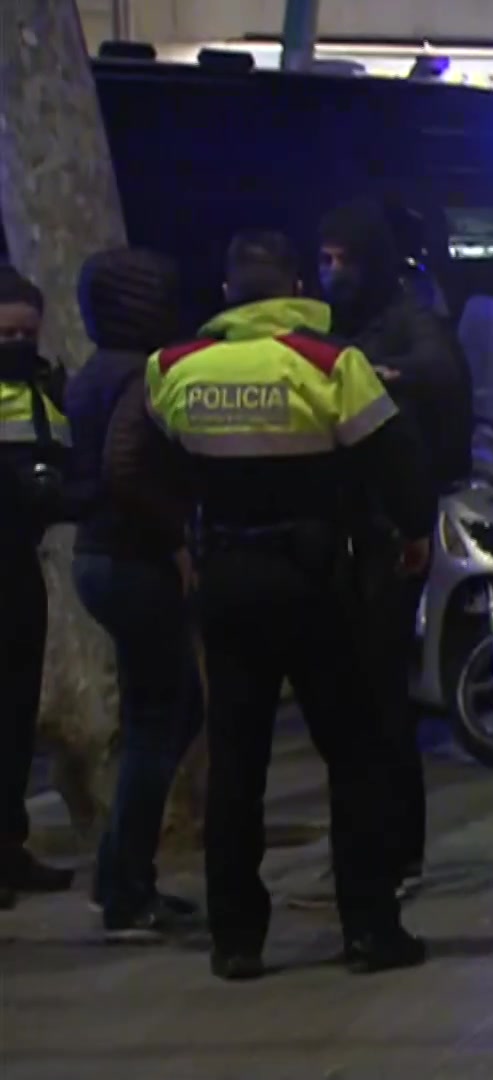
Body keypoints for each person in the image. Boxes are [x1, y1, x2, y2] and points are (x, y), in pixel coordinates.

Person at [129, 231, 436, 980]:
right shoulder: (330, 364)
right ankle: (369, 929)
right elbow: (396, 458)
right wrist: (413, 533)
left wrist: (180, 534)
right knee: (354, 755)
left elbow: (149, 460)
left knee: (237, 761)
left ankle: (236, 940)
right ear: (296, 288)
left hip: (226, 579)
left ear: (227, 294)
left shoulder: (172, 368)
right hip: (317, 582)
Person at [313, 199, 471, 898]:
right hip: (327, 532)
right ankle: (358, 851)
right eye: (325, 261)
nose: (334, 273)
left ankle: (395, 851)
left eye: (345, 261)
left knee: (383, 699)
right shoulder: (321, 325)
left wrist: (376, 374)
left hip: (386, 532)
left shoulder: (408, 317)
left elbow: (439, 371)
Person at [64, 248, 204, 940]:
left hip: (99, 559)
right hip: (134, 560)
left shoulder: (92, 372)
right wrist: (177, 538)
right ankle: (127, 890)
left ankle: (117, 874)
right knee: (163, 719)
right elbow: (127, 468)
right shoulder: (139, 373)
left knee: (163, 714)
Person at [0, 266, 77, 913]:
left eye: (27, 332)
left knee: (16, 718)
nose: (18, 343)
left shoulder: (46, 389)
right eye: (6, 334)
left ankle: (9, 848)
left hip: (21, 564)